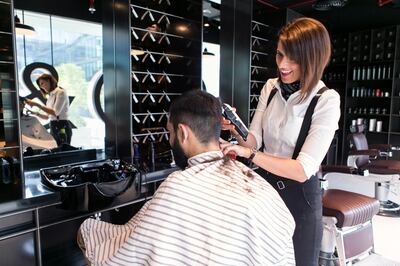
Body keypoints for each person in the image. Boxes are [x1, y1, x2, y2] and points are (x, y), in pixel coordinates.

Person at [78, 90, 296, 265]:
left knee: (89, 233)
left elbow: (134, 252)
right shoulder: (255, 181)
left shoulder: (179, 187)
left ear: (182, 133)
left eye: (170, 132)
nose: (170, 138)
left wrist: (90, 235)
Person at [221, 17, 341, 266]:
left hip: (300, 200)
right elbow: (253, 141)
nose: (283, 65)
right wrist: (235, 128)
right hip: (265, 191)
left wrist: (249, 155)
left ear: (313, 59)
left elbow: (301, 170)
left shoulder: (326, 100)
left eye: (293, 59)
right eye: (279, 55)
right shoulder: (271, 88)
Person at [25, 73, 72, 146]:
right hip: (53, 126)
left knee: (62, 151)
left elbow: (55, 112)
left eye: (42, 83)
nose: (42, 87)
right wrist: (35, 113)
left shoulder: (60, 92)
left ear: (49, 81)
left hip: (62, 125)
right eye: (40, 85)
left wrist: (37, 104)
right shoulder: (50, 97)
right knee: (55, 151)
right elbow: (47, 117)